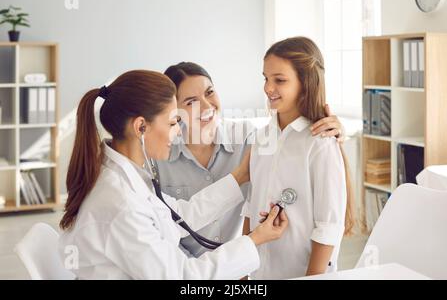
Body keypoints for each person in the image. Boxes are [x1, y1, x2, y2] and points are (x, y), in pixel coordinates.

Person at [58, 70, 288, 279]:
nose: (179, 130)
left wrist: (238, 177)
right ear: (140, 128)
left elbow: (178, 215)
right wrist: (255, 240)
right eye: (173, 122)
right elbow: (182, 278)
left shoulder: (121, 173)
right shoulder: (120, 204)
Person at [157, 62, 347, 257]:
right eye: (190, 102)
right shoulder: (158, 157)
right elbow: (162, 234)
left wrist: (334, 131)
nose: (206, 106)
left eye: (209, 92)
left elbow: (290, 144)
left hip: (240, 268)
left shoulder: (248, 138)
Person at [242, 37, 356, 280]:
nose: (267, 88)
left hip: (301, 273)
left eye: (279, 80)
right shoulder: (261, 138)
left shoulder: (321, 143)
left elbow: (328, 226)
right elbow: (250, 209)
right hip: (260, 273)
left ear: (305, 83)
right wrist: (240, 272)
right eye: (266, 78)